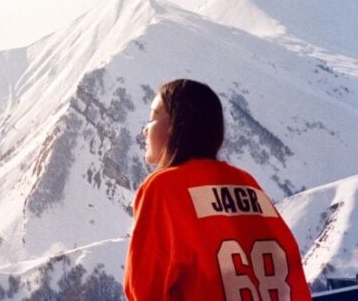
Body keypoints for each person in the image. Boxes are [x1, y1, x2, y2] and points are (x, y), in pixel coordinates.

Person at [124, 79, 311, 301]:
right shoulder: (246, 183)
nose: (145, 129)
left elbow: (145, 290)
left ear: (176, 124)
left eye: (153, 117)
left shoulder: (163, 187)